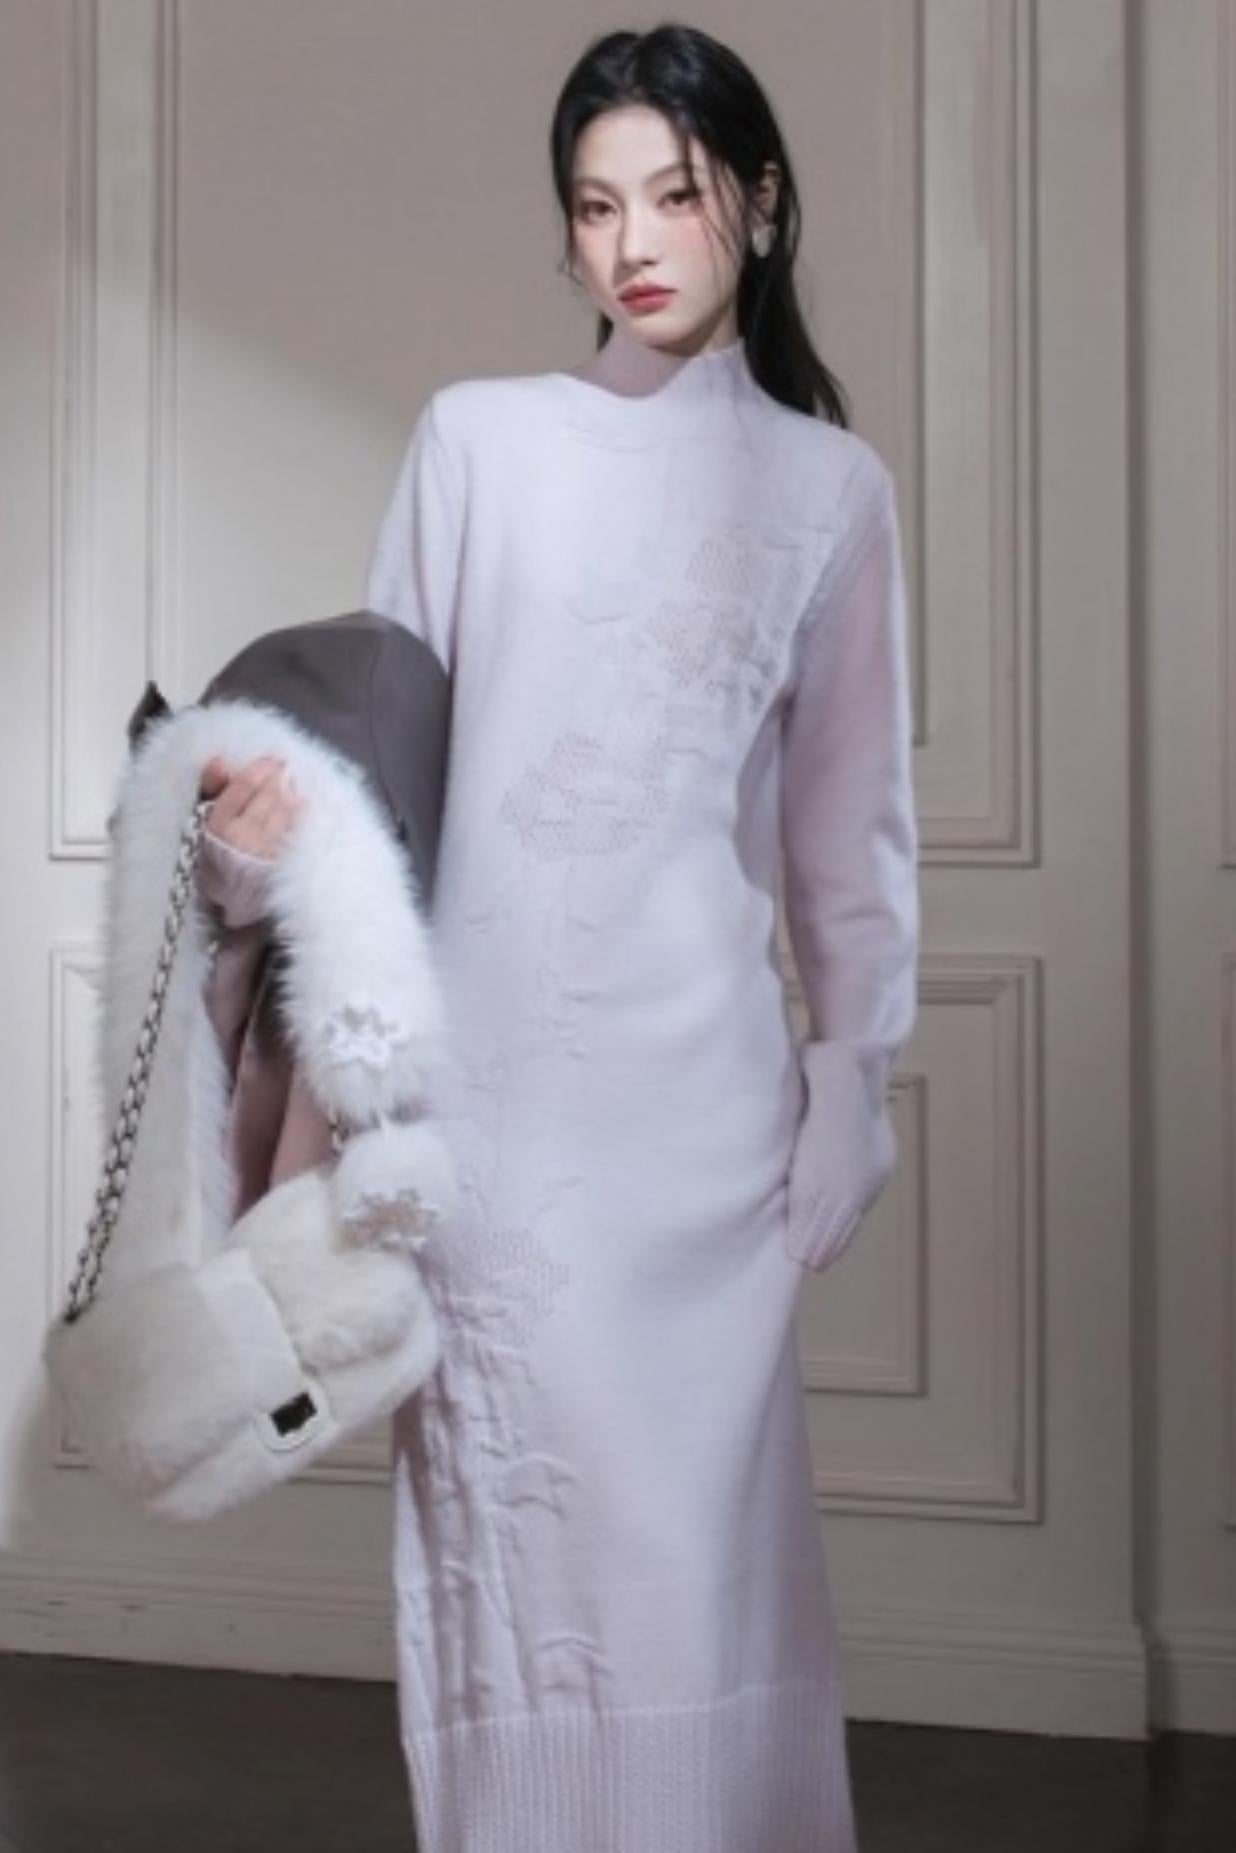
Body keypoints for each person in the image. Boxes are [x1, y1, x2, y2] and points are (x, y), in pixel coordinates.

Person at [199, 22, 918, 1851]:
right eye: (597, 208)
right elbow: (377, 768)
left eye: (674, 195)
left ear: (760, 201)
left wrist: (855, 1069)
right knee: (514, 1564)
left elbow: (846, 836)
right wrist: (254, 847)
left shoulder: (832, 494)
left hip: (708, 1137)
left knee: (704, 1571)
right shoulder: (479, 441)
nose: (635, 243)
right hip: (493, 1122)